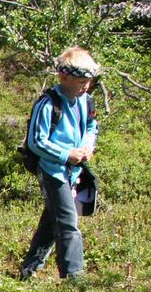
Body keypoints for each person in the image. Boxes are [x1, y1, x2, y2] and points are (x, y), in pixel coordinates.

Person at [19, 47, 100, 280]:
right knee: (67, 223)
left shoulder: (86, 101)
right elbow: (36, 142)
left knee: (52, 220)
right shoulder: (46, 104)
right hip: (53, 171)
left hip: (73, 172)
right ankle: (75, 278)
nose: (86, 86)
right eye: (82, 81)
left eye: (89, 81)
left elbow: (92, 127)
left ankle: (29, 270)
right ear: (64, 77)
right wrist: (66, 155)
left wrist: (87, 146)